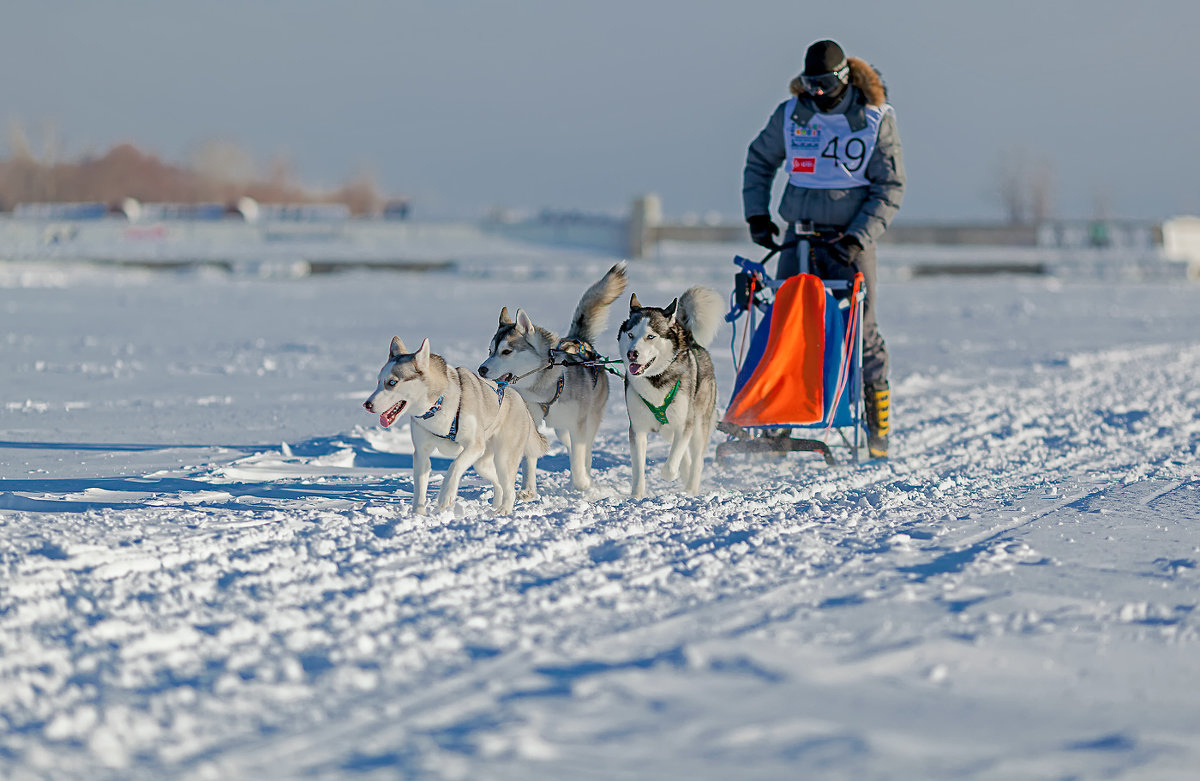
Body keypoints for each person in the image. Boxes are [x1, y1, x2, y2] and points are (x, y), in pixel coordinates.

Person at [742, 38, 904, 459]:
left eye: (824, 85)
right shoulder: (791, 114)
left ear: (844, 78)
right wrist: (758, 215)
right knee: (786, 323)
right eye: (809, 84)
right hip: (799, 237)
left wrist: (859, 237)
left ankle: (876, 426)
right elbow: (760, 160)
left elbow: (890, 186)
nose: (816, 93)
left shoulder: (874, 118)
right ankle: (779, 419)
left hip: (850, 242)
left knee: (860, 331)